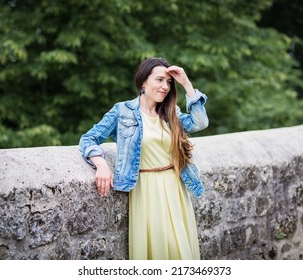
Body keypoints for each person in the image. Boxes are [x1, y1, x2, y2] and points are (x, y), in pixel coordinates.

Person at [79, 57, 209, 260]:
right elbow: (88, 139)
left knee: (181, 252)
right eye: (159, 80)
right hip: (145, 190)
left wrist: (186, 83)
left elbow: (200, 122)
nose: (165, 86)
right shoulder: (122, 111)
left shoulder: (170, 112)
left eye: (168, 82)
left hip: (175, 188)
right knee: (155, 251)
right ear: (143, 83)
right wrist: (101, 164)